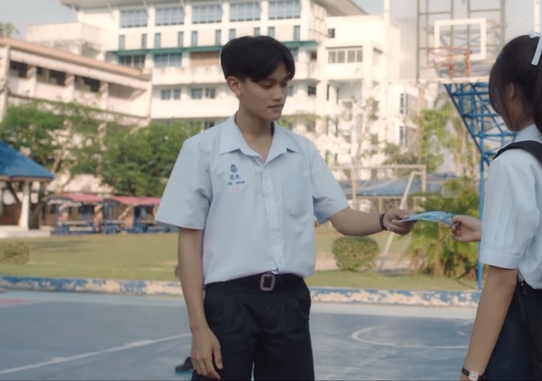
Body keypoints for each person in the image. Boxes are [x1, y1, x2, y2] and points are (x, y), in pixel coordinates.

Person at [155, 36, 414, 381]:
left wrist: (384, 219)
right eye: (267, 85)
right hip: (229, 303)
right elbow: (189, 243)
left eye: (284, 84)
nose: (279, 94)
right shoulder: (201, 150)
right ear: (235, 85)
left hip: (289, 303)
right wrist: (198, 329)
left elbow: (342, 217)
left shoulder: (301, 151)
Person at [450, 32, 542, 381]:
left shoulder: (513, 163)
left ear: (509, 89)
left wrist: (470, 373)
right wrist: (489, 231)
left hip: (525, 328)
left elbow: (501, 281)